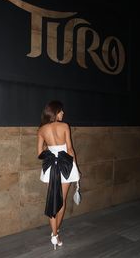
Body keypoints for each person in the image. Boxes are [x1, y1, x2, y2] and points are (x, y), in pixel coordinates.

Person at [37, 100, 80, 250]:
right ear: (55, 112)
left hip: (51, 167)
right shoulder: (64, 126)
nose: (63, 113)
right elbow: (70, 149)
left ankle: (55, 235)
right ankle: (55, 233)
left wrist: (52, 154)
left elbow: (40, 153)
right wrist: (75, 168)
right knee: (61, 202)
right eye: (61, 111)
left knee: (52, 200)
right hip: (65, 166)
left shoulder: (42, 130)